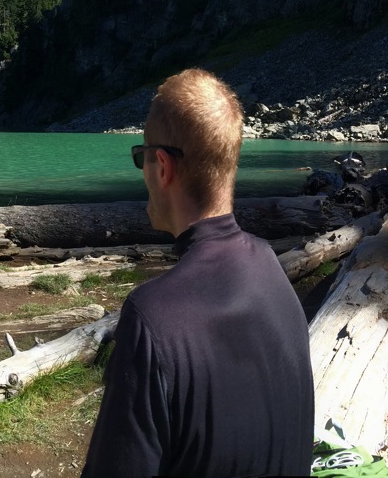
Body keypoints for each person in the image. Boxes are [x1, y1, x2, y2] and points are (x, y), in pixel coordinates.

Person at [82, 69, 312, 477]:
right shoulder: (270, 268)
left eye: (142, 158)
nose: (144, 172)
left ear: (163, 167)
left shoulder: (152, 317)